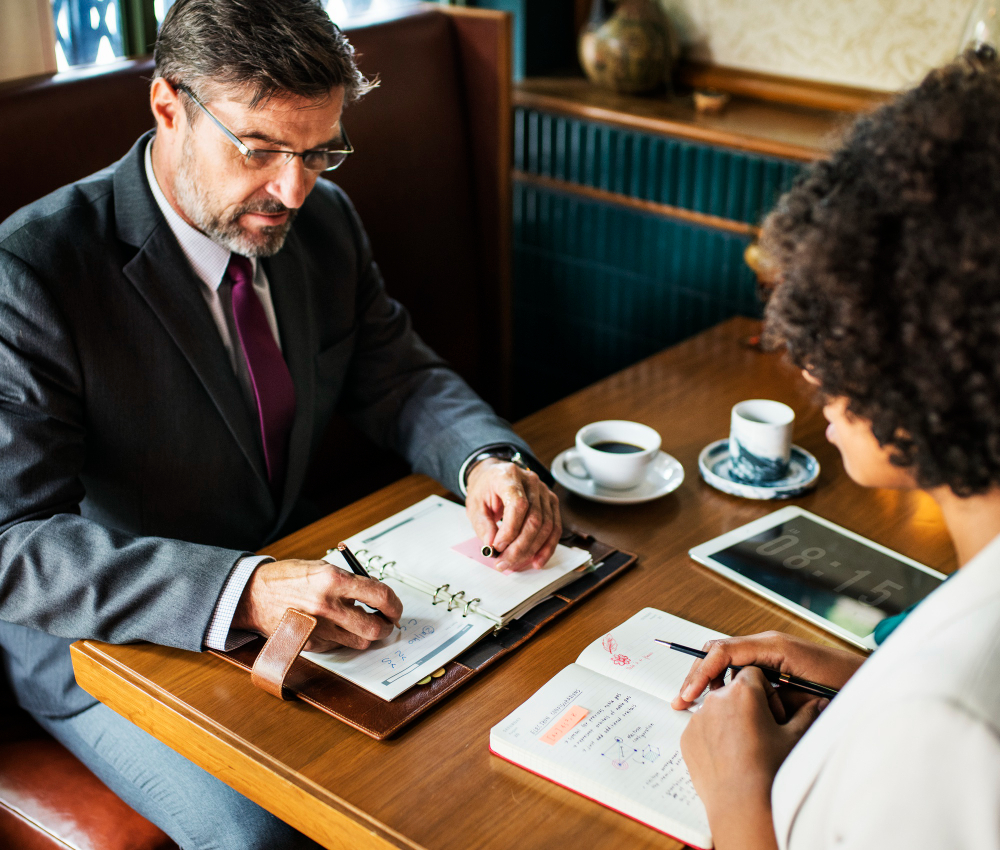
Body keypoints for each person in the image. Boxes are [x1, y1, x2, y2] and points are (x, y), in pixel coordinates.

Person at [0, 1, 561, 846]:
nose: (293, 189)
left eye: (319, 150)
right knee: (269, 832)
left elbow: (399, 378)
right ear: (167, 108)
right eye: (258, 149)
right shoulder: (32, 270)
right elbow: (14, 543)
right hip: (107, 649)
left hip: (300, 601)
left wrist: (486, 459)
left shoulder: (323, 222)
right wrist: (246, 587)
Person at [670, 47, 1000, 849]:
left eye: (835, 328)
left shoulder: (948, 716)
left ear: (933, 357)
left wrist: (738, 802)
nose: (808, 364)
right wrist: (867, 686)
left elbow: (957, 731)